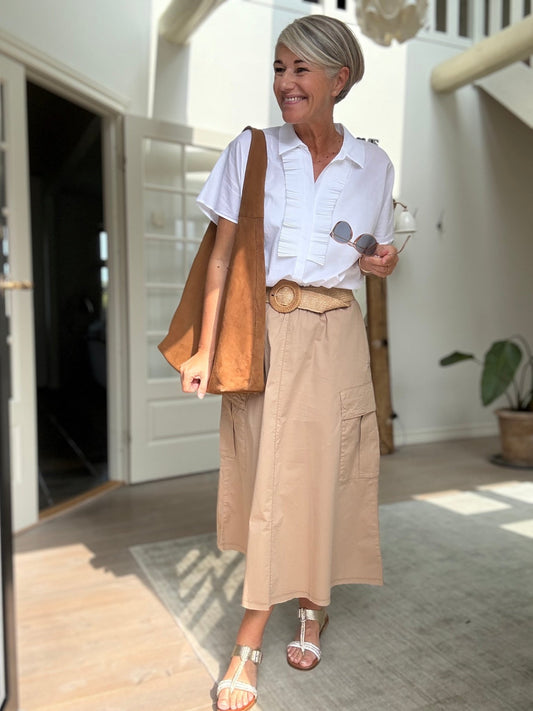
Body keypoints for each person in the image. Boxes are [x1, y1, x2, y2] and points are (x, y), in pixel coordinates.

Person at [178, 14, 399, 711]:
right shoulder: (251, 152)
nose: (285, 83)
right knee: (269, 484)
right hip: (265, 330)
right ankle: (259, 632)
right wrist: (204, 347)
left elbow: (377, 255)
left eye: (301, 69)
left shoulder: (374, 165)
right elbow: (220, 258)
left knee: (326, 475)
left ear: (339, 78)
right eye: (279, 68)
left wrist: (384, 261)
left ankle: (306, 607)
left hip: (337, 333)